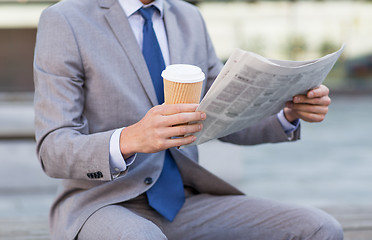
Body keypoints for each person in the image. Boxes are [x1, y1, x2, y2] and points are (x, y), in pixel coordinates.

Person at [33, 0, 343, 239]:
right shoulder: (65, 19)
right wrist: (131, 138)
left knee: (318, 228)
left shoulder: (189, 17)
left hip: (185, 202)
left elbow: (223, 112)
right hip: (102, 203)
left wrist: (288, 114)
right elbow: (53, 149)